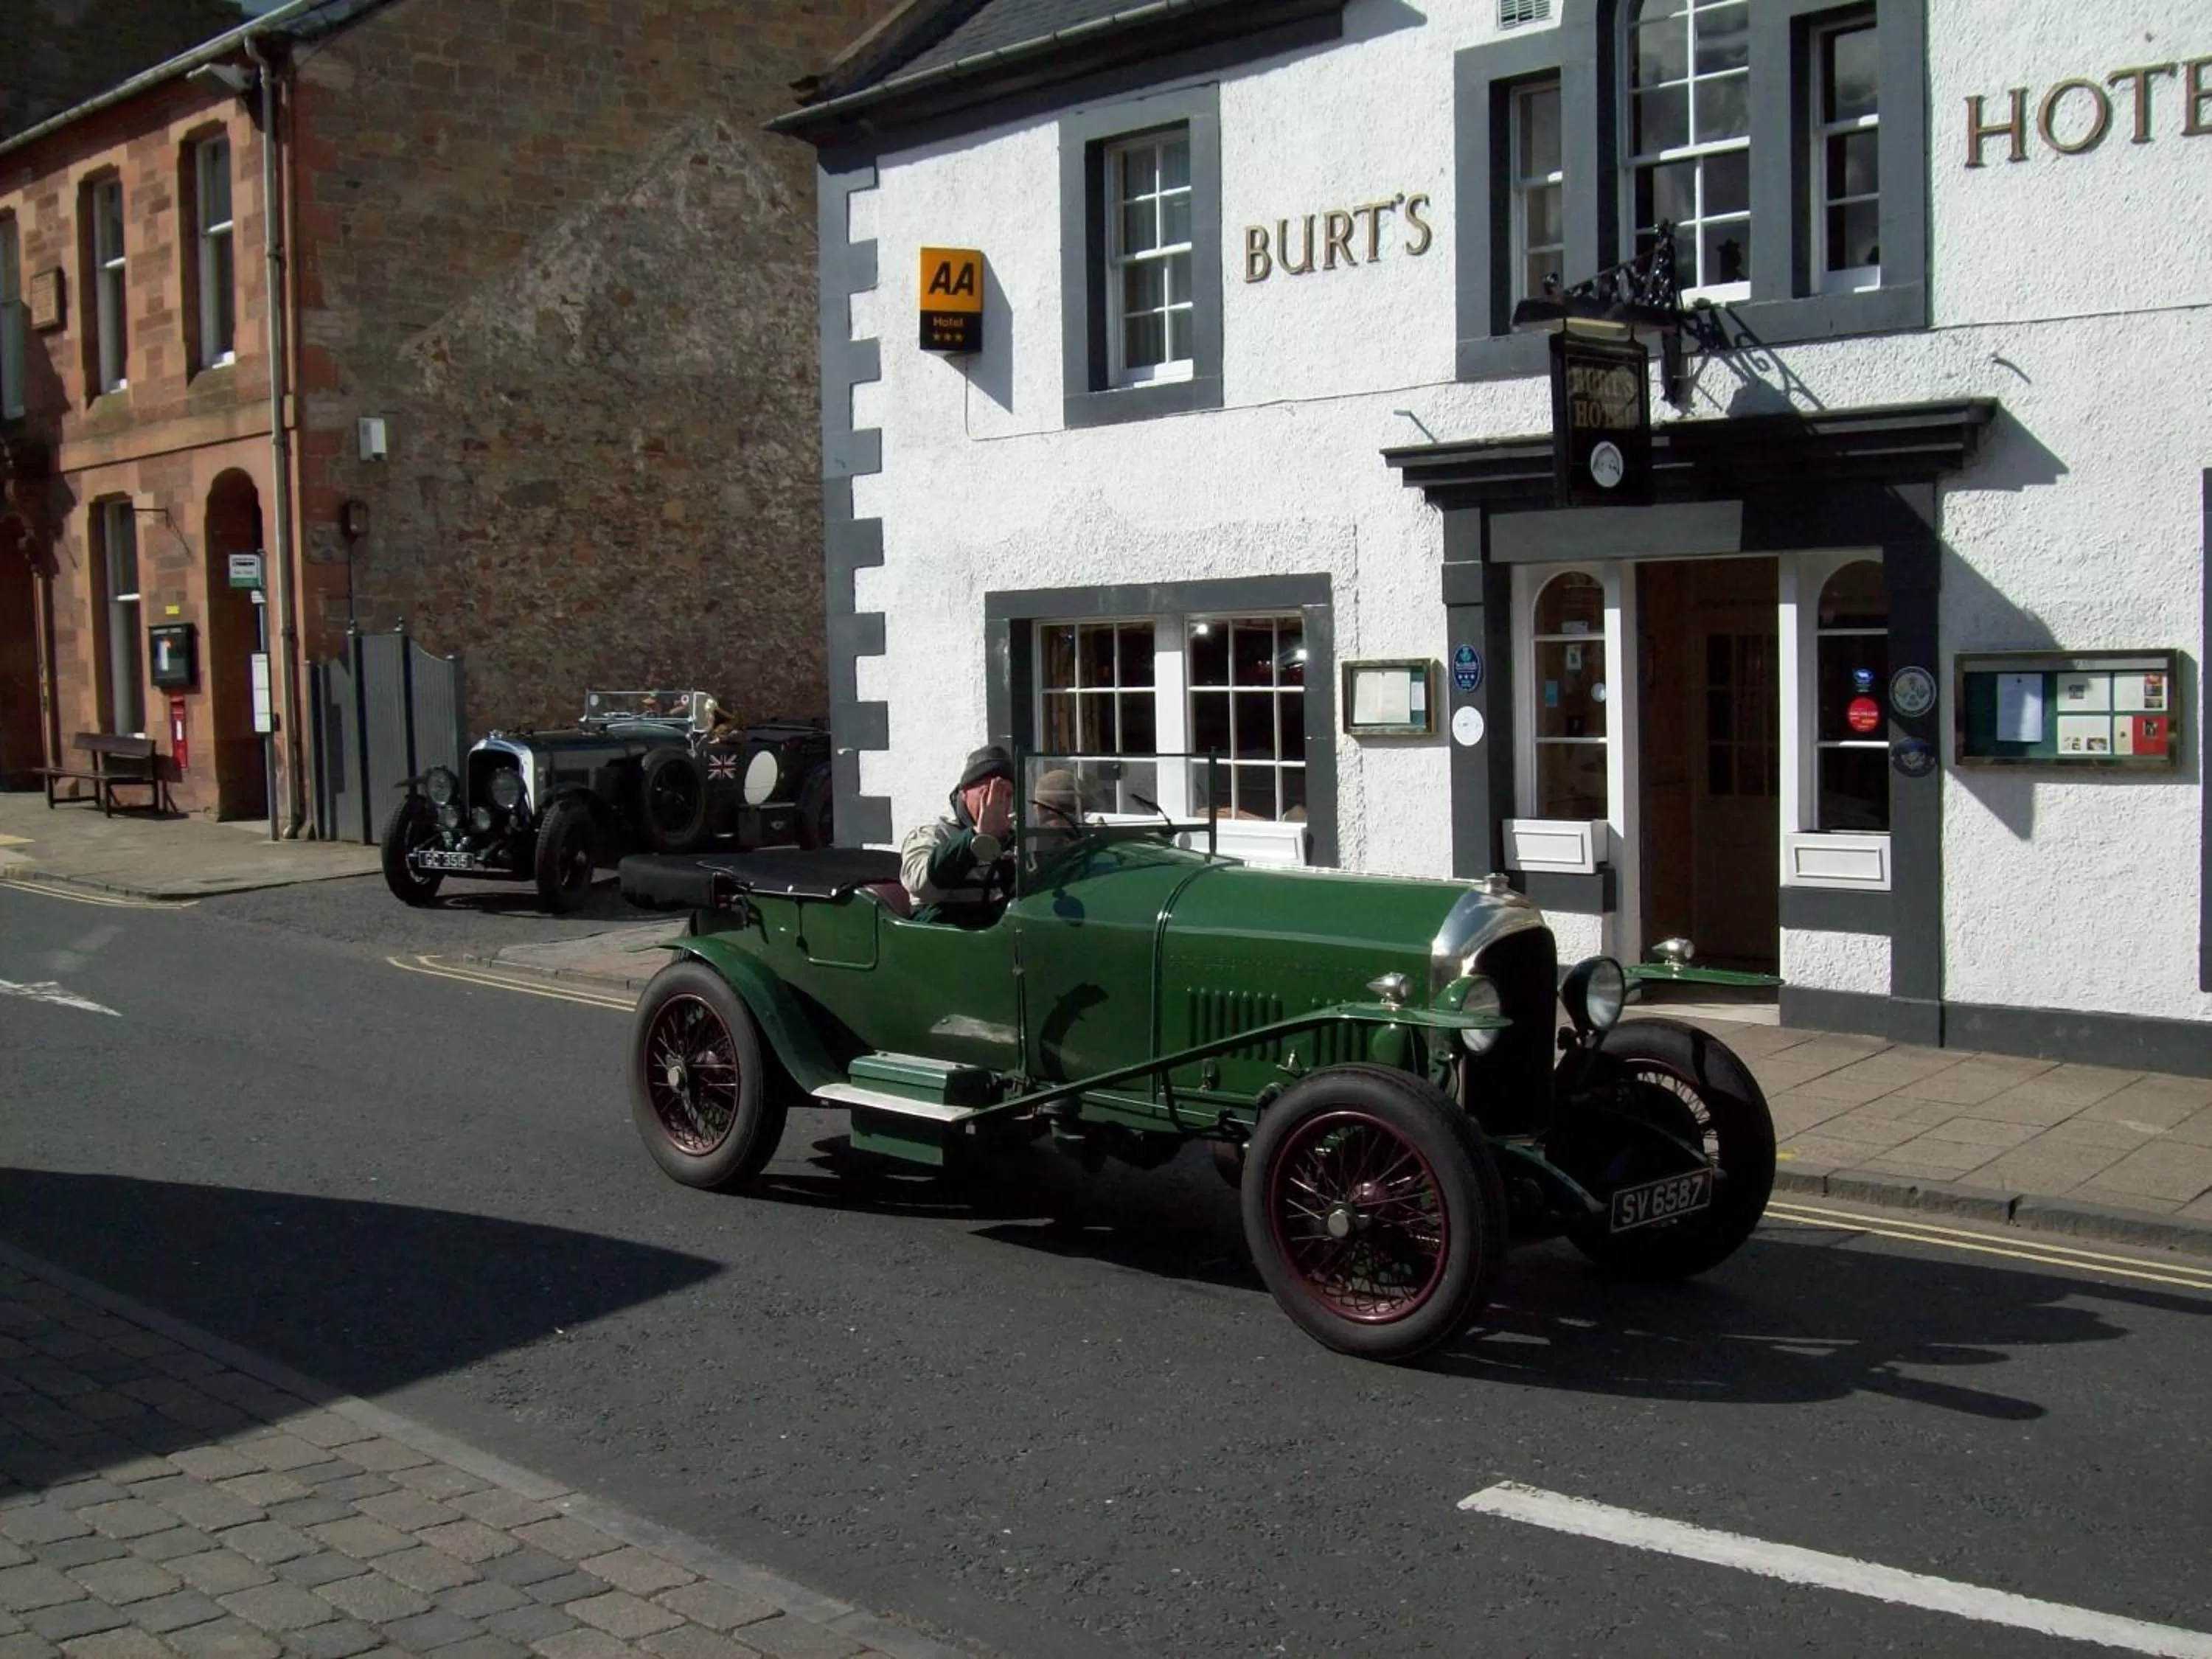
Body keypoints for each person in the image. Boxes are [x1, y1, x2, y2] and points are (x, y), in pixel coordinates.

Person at [900, 744, 1016, 925]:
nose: (997, 802)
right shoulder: (932, 834)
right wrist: (978, 837)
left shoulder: (1012, 839)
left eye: (1007, 795)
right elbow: (921, 886)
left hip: (997, 939)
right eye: (986, 793)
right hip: (943, 941)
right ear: (964, 793)